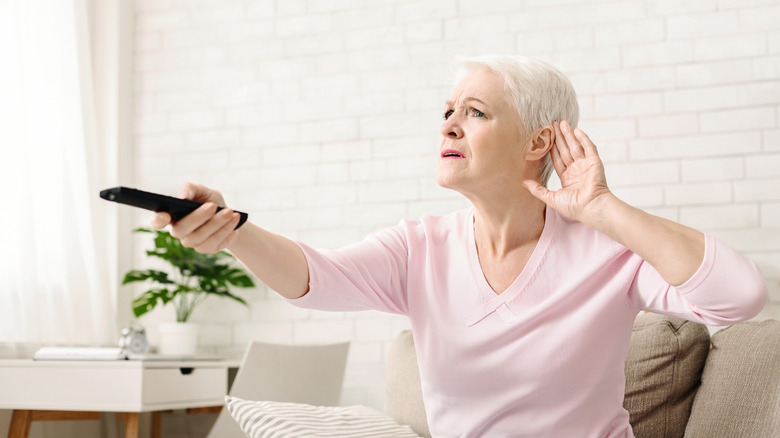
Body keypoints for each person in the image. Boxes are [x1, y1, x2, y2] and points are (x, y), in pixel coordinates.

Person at [151, 55, 768, 437]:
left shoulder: (608, 249)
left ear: (538, 141)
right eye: (447, 110)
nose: (447, 124)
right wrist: (234, 231)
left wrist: (605, 209)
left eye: (474, 112)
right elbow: (318, 278)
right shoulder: (420, 248)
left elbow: (738, 298)